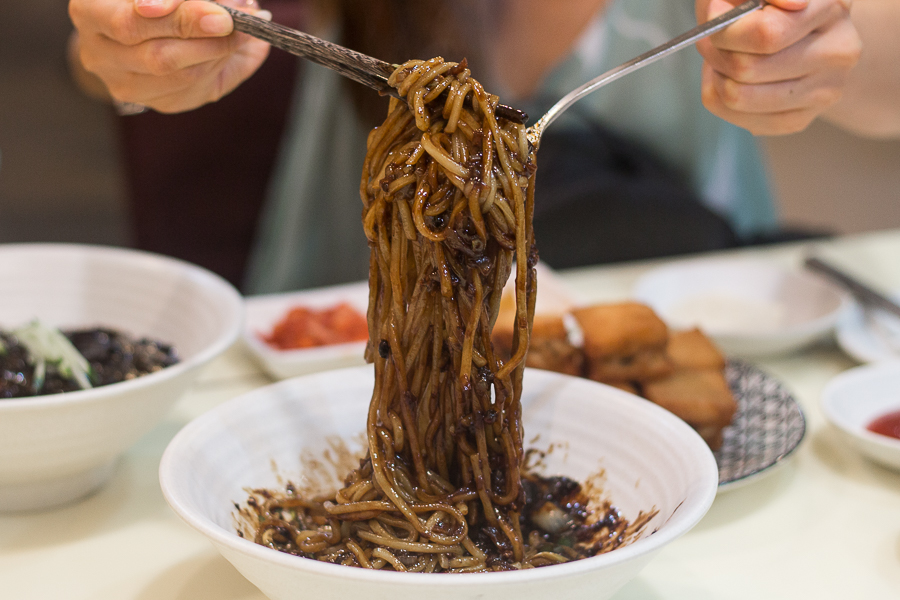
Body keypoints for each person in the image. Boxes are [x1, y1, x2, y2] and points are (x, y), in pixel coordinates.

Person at [67, 0, 900, 292]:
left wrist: (817, 51)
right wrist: (142, 49)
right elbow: (105, 46)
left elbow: (880, 70)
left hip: (681, 308)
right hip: (347, 320)